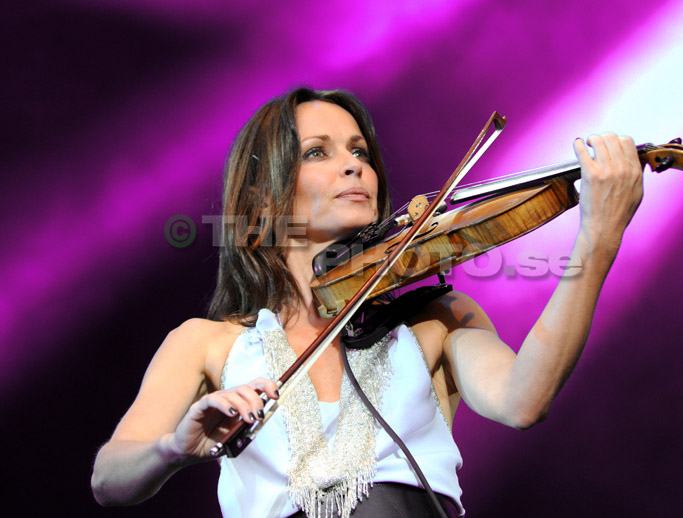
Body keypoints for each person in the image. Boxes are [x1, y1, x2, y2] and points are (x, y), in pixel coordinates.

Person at [91, 87, 643, 517]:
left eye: (360, 151)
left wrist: (597, 240)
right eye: (317, 152)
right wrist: (172, 447)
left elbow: (523, 401)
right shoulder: (206, 343)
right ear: (262, 199)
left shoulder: (437, 320)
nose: (354, 165)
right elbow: (109, 479)